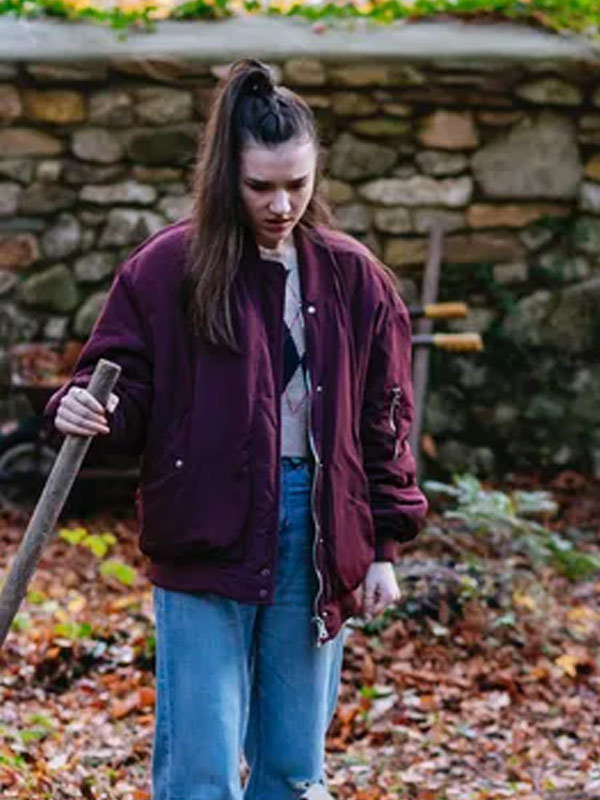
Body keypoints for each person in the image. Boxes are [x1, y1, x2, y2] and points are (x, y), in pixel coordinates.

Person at [45, 59, 427, 800]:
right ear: (227, 177)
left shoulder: (355, 279)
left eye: (298, 184)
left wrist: (383, 547)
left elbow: (385, 422)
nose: (282, 205)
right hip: (203, 522)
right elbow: (118, 385)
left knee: (293, 768)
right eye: (260, 187)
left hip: (318, 529)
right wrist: (84, 408)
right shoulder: (167, 269)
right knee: (200, 766)